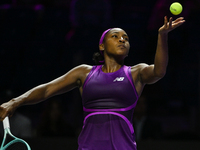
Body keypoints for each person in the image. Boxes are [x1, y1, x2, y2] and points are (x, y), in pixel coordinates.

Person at [0, 16, 185, 150]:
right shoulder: (84, 72)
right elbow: (48, 89)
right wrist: (15, 101)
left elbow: (159, 71)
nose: (122, 39)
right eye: (116, 36)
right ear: (102, 46)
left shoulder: (135, 72)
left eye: (126, 38)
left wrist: (162, 36)